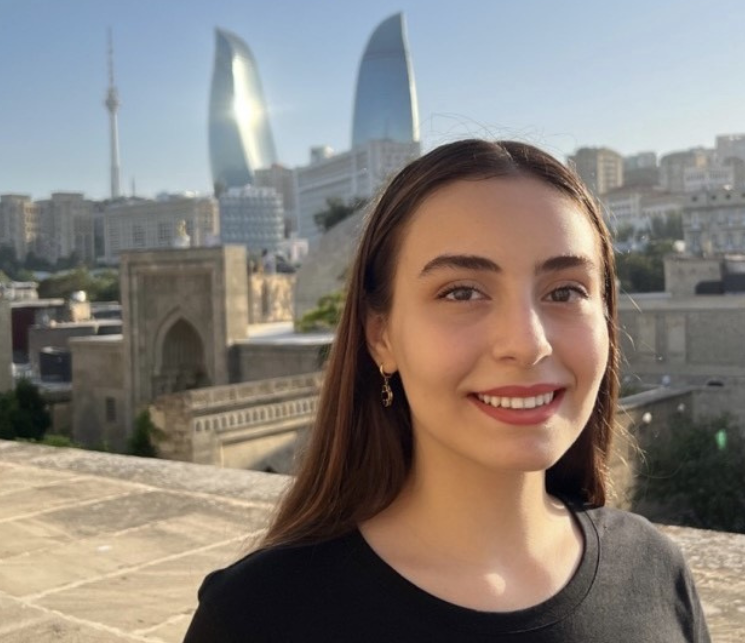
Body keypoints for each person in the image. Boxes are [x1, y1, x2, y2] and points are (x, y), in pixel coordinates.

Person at [184, 139, 711, 642]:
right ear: (381, 337)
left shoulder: (655, 574)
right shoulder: (258, 618)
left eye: (566, 291)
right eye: (462, 291)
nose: (527, 345)